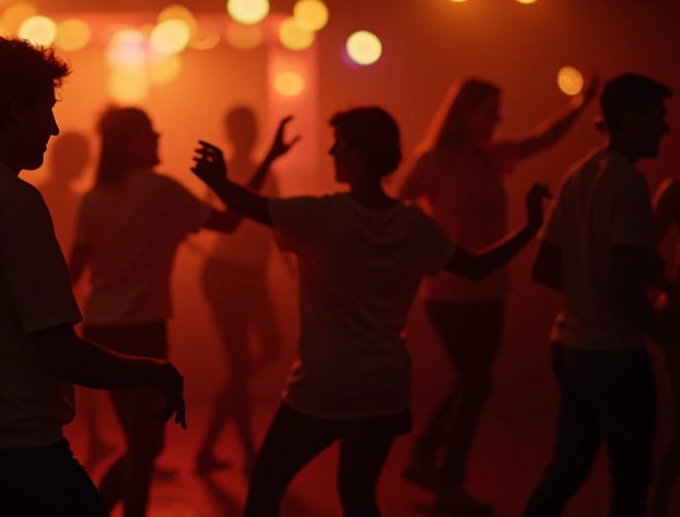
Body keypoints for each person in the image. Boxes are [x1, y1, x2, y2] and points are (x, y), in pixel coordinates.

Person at [192, 106, 549, 517]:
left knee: (266, 487)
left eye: (337, 144)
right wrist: (530, 226)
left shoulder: (320, 215)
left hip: (325, 385)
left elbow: (249, 207)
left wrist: (219, 180)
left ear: (357, 154)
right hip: (384, 386)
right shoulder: (414, 224)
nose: (330, 152)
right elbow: (478, 267)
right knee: (359, 497)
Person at [0, 36, 187, 516]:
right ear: (18, 112)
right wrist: (152, 370)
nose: (54, 128)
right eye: (46, 110)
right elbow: (58, 352)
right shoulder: (16, 203)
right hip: (20, 451)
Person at [69, 106, 296, 517]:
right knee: (146, 443)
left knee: (144, 442)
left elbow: (73, 272)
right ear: (129, 143)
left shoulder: (94, 198)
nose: (158, 138)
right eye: (149, 134)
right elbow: (229, 222)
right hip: (142, 330)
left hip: (101, 328)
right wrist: (259, 165)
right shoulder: (161, 190)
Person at [398, 74, 600, 513]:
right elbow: (398, 205)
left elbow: (546, 138)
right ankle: (449, 481)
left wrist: (583, 102)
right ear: (467, 113)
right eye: (492, 109)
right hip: (448, 290)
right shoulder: (433, 160)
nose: (499, 117)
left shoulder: (493, 156)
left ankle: (424, 455)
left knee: (471, 381)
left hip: (491, 287)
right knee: (476, 382)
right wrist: (422, 248)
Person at [524, 73, 672, 516]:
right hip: (615, 355)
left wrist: (588, 293)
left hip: (570, 345)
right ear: (631, 120)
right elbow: (623, 283)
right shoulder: (628, 183)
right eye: (658, 118)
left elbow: (545, 267)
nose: (665, 129)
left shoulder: (578, 173)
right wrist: (662, 331)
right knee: (630, 477)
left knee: (567, 468)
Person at [196, 106, 284, 479]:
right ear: (231, 131)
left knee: (263, 353)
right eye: (242, 127)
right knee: (243, 362)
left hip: (250, 273)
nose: (247, 133)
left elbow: (274, 218)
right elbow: (224, 214)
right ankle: (249, 454)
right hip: (226, 272)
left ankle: (210, 450)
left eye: (251, 126)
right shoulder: (224, 170)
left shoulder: (262, 171)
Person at [38, 132, 118, 468]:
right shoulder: (58, 197)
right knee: (68, 367)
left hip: (60, 291)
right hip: (57, 293)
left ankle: (90, 439)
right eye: (82, 156)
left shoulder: (46, 193)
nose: (86, 163)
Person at [650, 171, 680, 517]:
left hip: (679, 312)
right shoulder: (678, 191)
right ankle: (657, 503)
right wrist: (672, 289)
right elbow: (638, 254)